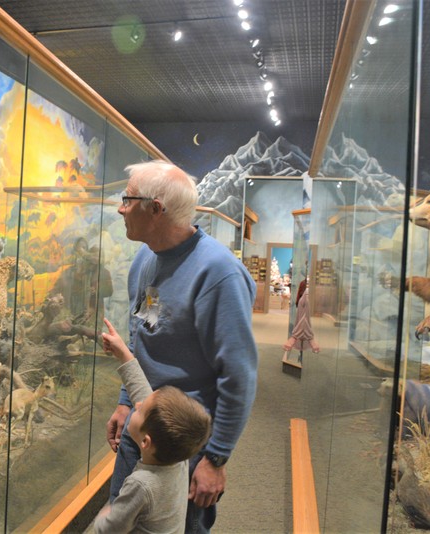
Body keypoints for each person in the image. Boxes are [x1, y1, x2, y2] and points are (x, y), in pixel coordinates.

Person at [106, 160, 258, 532]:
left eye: (128, 198)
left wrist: (216, 458)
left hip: (184, 445)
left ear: (155, 209)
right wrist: (128, 403)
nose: (120, 207)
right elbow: (144, 333)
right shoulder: (146, 257)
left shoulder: (218, 274)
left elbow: (238, 377)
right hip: (141, 425)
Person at [95, 318, 211, 534]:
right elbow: (143, 394)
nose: (136, 404)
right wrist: (123, 354)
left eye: (139, 410)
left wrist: (103, 517)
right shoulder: (180, 459)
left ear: (146, 441)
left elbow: (111, 528)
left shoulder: (141, 485)